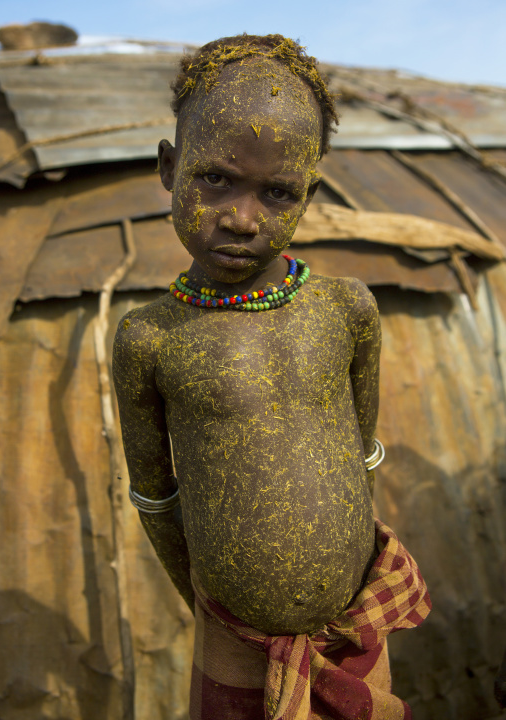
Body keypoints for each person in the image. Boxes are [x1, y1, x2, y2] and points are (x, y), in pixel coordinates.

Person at [113, 34, 431, 720]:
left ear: (308, 194)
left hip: (357, 630)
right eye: (215, 178)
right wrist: (214, 604)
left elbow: (361, 454)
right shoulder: (150, 339)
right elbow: (154, 497)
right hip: (236, 644)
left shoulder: (346, 311)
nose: (240, 217)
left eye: (278, 193)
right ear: (169, 167)